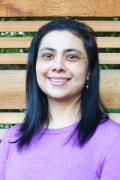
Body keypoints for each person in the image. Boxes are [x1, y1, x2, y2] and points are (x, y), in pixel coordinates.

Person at [0, 17, 120, 180]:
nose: (58, 66)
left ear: (89, 70)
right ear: (35, 66)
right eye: (48, 56)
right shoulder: (12, 138)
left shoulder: (114, 140)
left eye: (71, 57)